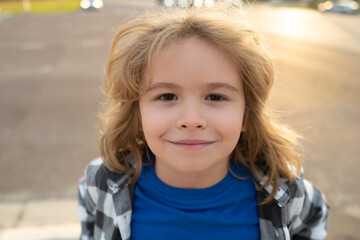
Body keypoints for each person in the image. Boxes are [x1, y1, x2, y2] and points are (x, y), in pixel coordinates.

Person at [78, 3, 329, 240]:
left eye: (216, 97)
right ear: (138, 112)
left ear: (246, 113)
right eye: (167, 96)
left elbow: (315, 214)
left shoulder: (282, 186)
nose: (191, 120)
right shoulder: (101, 181)